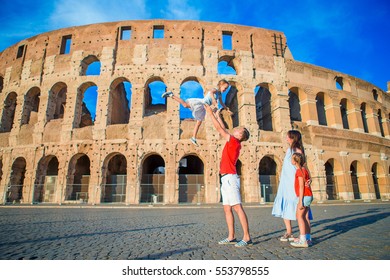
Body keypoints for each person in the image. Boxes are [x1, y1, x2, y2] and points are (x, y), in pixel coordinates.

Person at [204, 104, 252, 247]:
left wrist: (209, 113)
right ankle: (231, 236)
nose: (237, 129)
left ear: (240, 136)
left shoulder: (235, 142)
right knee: (227, 209)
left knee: (237, 207)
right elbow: (224, 129)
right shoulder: (233, 140)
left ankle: (247, 237)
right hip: (225, 178)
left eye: (239, 130)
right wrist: (218, 114)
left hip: (230, 178)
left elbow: (219, 129)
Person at [162, 79, 232, 146]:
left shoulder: (219, 95)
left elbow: (222, 102)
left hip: (204, 107)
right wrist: (213, 100)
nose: (225, 90)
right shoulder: (215, 90)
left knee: (199, 122)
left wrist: (226, 109)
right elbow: (211, 92)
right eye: (225, 88)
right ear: (220, 85)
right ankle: (171, 95)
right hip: (202, 103)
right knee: (185, 105)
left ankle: (193, 138)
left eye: (226, 89)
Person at [271, 130, 312, 242]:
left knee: (303, 211)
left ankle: (306, 236)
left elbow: (303, 164)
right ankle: (289, 232)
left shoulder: (296, 150)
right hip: (286, 182)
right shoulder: (290, 150)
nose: (286, 138)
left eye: (288, 136)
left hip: (293, 182)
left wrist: (309, 178)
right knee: (286, 205)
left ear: (293, 138)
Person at [290, 152, 313, 248]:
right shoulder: (305, 169)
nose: (290, 160)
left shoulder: (299, 171)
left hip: (303, 196)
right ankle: (307, 238)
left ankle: (302, 240)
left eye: (292, 159)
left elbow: (301, 187)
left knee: (300, 217)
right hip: (308, 195)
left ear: (295, 161)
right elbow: (308, 181)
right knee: (305, 217)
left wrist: (300, 201)